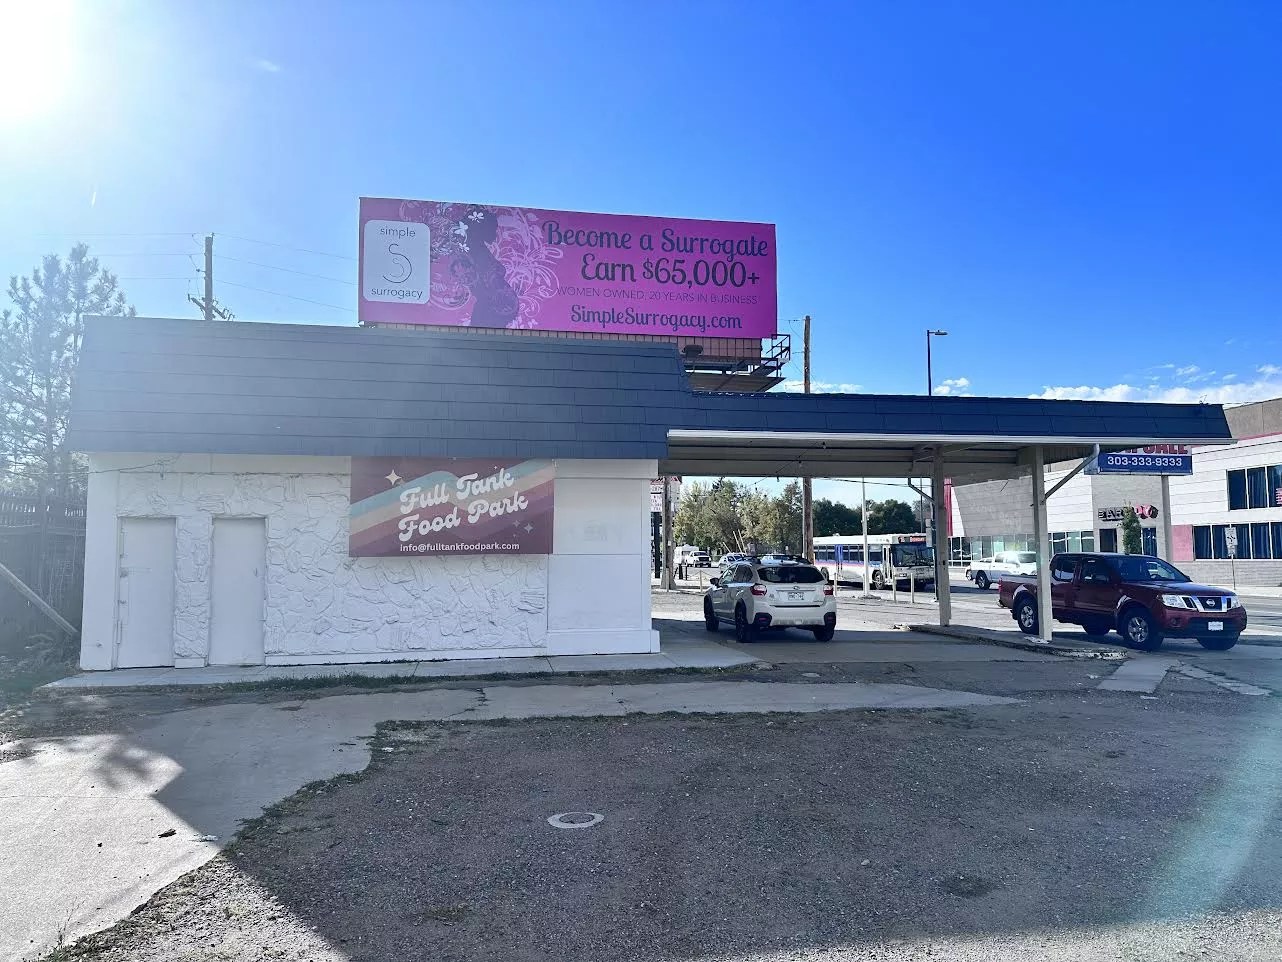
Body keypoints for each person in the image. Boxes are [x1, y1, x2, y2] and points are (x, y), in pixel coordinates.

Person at [457, 207, 519, 328]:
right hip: (489, 314)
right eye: (493, 229)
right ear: (480, 229)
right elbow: (480, 286)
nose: (495, 234)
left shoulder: (478, 252)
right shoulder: (477, 255)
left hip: (492, 313)